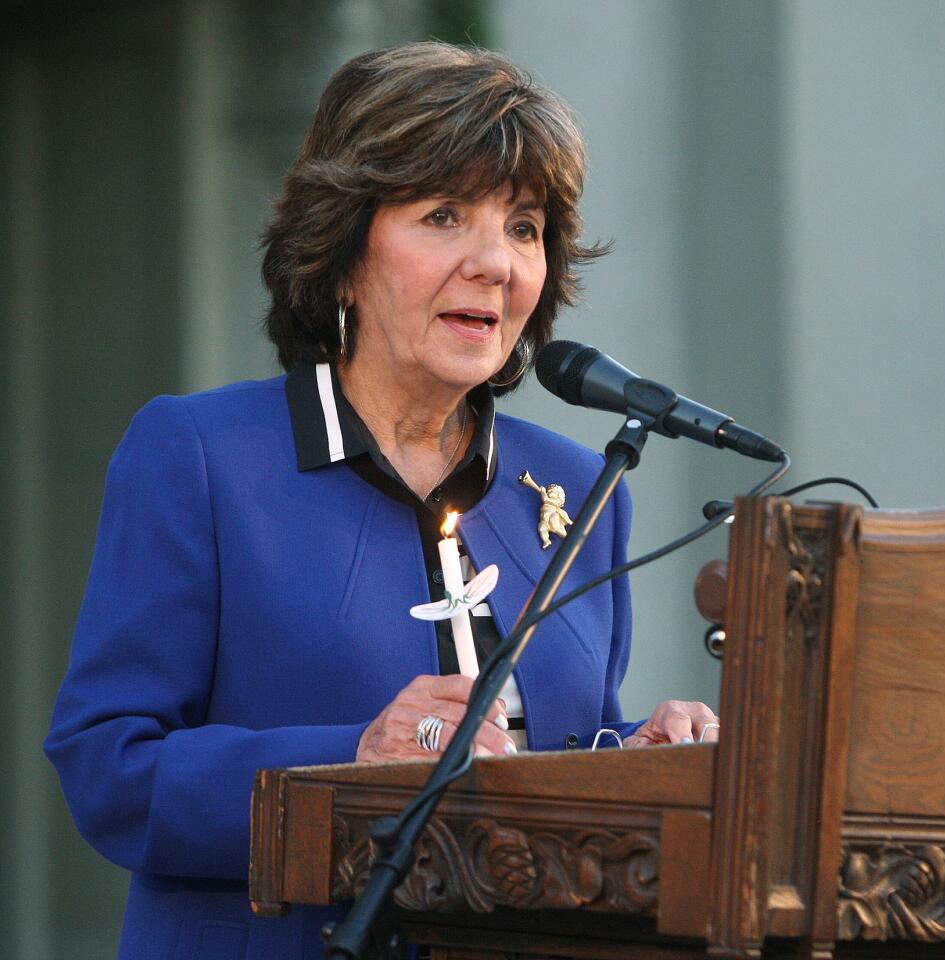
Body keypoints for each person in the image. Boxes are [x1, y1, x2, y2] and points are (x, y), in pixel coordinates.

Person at [45, 42, 718, 960]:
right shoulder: (200, 457)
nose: (495, 262)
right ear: (345, 242)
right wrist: (350, 763)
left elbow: (551, 749)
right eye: (444, 215)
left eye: (524, 227)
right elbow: (107, 770)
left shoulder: (573, 487)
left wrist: (646, 757)